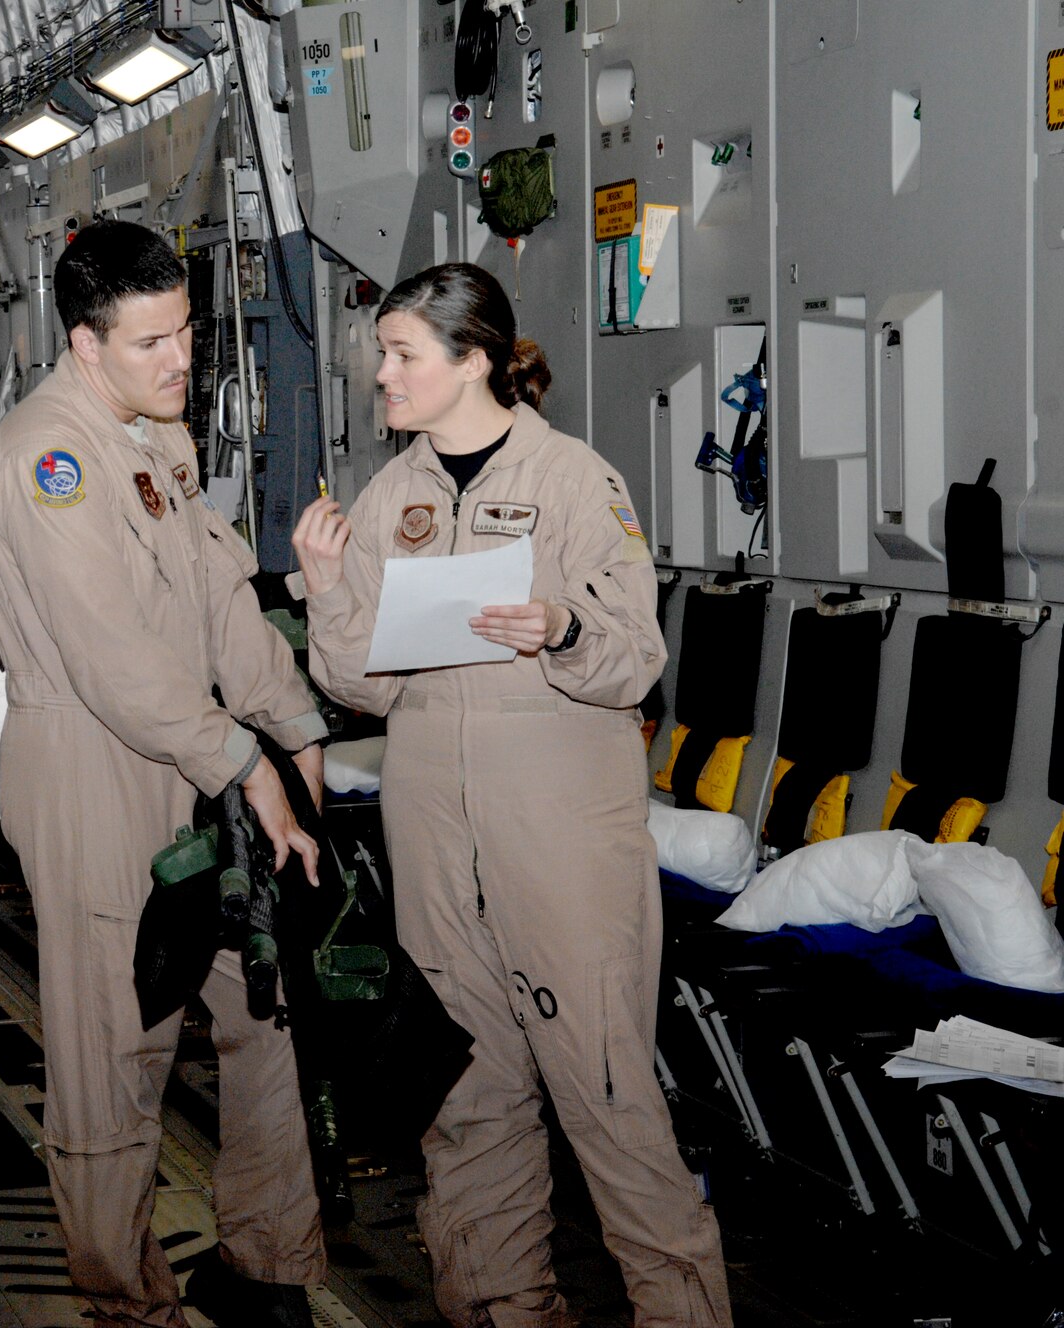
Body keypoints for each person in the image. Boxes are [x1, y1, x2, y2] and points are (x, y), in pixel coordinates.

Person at [291, 263, 733, 1327]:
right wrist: (325, 591)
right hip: (436, 846)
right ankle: (502, 1310)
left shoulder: (576, 481)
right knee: (465, 1097)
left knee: (605, 1098)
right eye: (380, 354)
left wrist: (562, 628)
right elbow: (361, 686)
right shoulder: (388, 496)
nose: (380, 375)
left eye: (401, 355)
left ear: (474, 359)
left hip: (558, 843)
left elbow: (633, 660)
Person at [0, 220, 330, 1328]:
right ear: (85, 345)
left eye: (185, 331)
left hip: (189, 755)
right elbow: (110, 654)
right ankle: (126, 1300)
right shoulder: (50, 455)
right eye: (150, 343)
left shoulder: (158, 440)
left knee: (263, 1009)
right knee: (114, 1053)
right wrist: (242, 761)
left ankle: (265, 1264)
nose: (181, 360)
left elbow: (221, 601)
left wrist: (291, 719)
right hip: (92, 766)